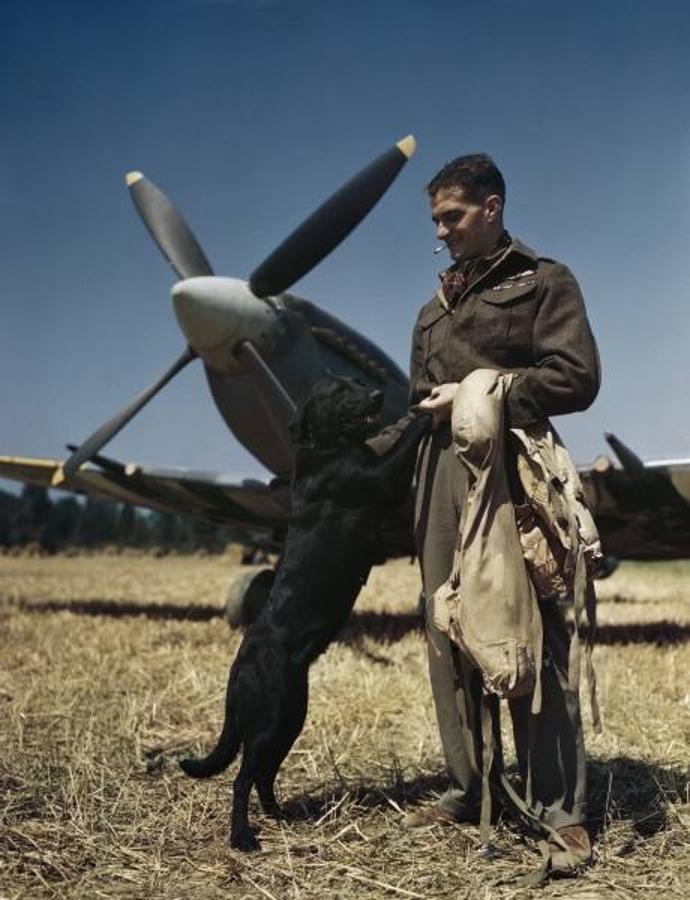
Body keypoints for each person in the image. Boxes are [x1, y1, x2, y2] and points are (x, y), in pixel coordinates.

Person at [401, 154, 600, 872]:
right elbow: (419, 395)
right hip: (437, 478)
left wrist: (479, 393)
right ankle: (469, 785)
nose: (442, 234)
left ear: (492, 207)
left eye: (452, 218)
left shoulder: (545, 281)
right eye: (435, 222)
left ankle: (559, 809)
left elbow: (576, 376)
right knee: (447, 629)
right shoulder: (430, 311)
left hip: (512, 472)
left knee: (527, 633)